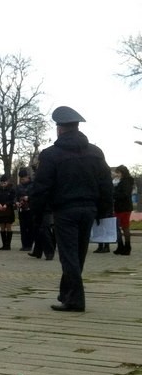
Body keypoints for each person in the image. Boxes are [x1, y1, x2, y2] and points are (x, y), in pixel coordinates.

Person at [30, 106, 112, 312]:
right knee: (79, 254)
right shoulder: (96, 152)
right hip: (89, 210)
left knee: (68, 256)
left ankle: (76, 300)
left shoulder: (50, 155)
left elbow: (41, 188)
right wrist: (104, 210)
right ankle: (67, 294)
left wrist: (37, 214)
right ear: (77, 127)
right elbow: (106, 184)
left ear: (59, 129)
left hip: (65, 211)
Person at [112, 165, 134, 256]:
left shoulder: (126, 181)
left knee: (125, 227)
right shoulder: (120, 181)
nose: (116, 174)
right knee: (118, 227)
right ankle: (121, 246)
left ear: (122, 172)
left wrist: (114, 194)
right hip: (119, 207)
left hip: (124, 207)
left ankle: (127, 247)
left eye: (118, 172)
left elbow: (124, 194)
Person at [0, 174, 17, 250]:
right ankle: (4, 245)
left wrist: (7, 204)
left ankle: (8, 245)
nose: (3, 184)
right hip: (0, 210)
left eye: (5, 182)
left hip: (9, 210)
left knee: (8, 226)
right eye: (2, 183)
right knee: (2, 226)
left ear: (7, 182)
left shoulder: (11, 190)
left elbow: (13, 199)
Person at [15, 168, 34, 251]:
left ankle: (29, 244)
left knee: (30, 227)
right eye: (21, 179)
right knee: (23, 228)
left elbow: (36, 196)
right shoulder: (19, 186)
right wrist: (16, 202)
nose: (22, 180)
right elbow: (15, 196)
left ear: (27, 177)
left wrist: (28, 198)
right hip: (22, 209)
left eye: (23, 179)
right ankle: (24, 244)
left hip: (30, 209)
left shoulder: (33, 185)